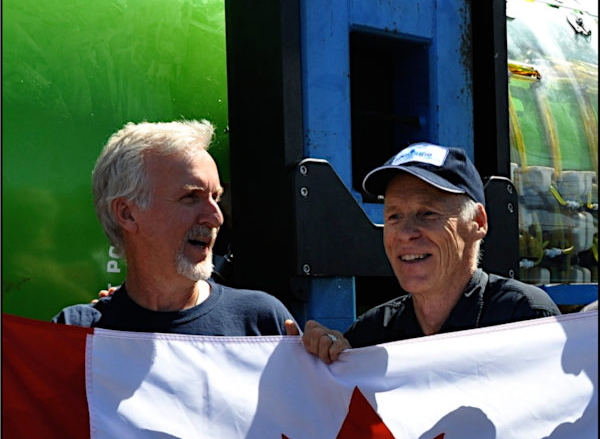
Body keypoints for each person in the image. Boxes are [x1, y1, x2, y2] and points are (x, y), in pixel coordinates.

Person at [303, 142, 561, 362]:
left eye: (428, 213)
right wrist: (331, 364)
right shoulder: (370, 337)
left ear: (478, 222)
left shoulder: (524, 318)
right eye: (394, 216)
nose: (406, 232)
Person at [53, 120, 298, 337]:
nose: (216, 217)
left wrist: (331, 360)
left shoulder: (262, 323)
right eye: (191, 197)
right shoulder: (76, 334)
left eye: (216, 197)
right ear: (127, 214)